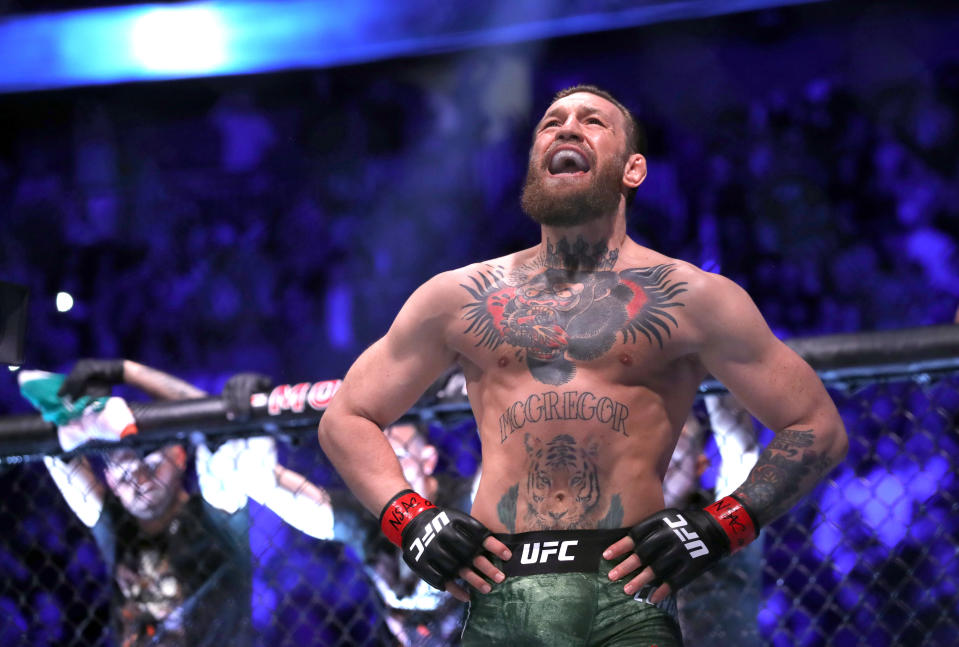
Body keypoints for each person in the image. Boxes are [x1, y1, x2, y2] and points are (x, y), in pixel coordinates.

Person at [317, 84, 848, 646]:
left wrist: (720, 526)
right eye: (551, 122)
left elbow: (817, 425)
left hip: (626, 594)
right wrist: (413, 520)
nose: (566, 128)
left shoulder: (693, 298)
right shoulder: (459, 296)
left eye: (592, 121)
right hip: (499, 591)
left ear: (633, 170)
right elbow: (346, 417)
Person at [19, 359, 337, 647]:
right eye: (126, 472)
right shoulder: (115, 524)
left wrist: (127, 371)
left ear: (180, 456)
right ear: (111, 480)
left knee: (221, 460)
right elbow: (59, 450)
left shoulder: (213, 512)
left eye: (154, 464)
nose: (141, 481)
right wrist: (74, 405)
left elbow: (218, 432)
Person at [332, 420, 475, 646]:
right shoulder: (367, 515)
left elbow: (510, 464)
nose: (386, 472)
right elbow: (270, 485)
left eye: (398, 456)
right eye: (375, 462)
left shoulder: (465, 502)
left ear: (427, 460)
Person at [662, 394, 762, 644]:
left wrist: (714, 369)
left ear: (700, 463)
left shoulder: (719, 515)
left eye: (678, 434)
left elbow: (744, 458)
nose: (663, 442)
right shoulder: (608, 519)